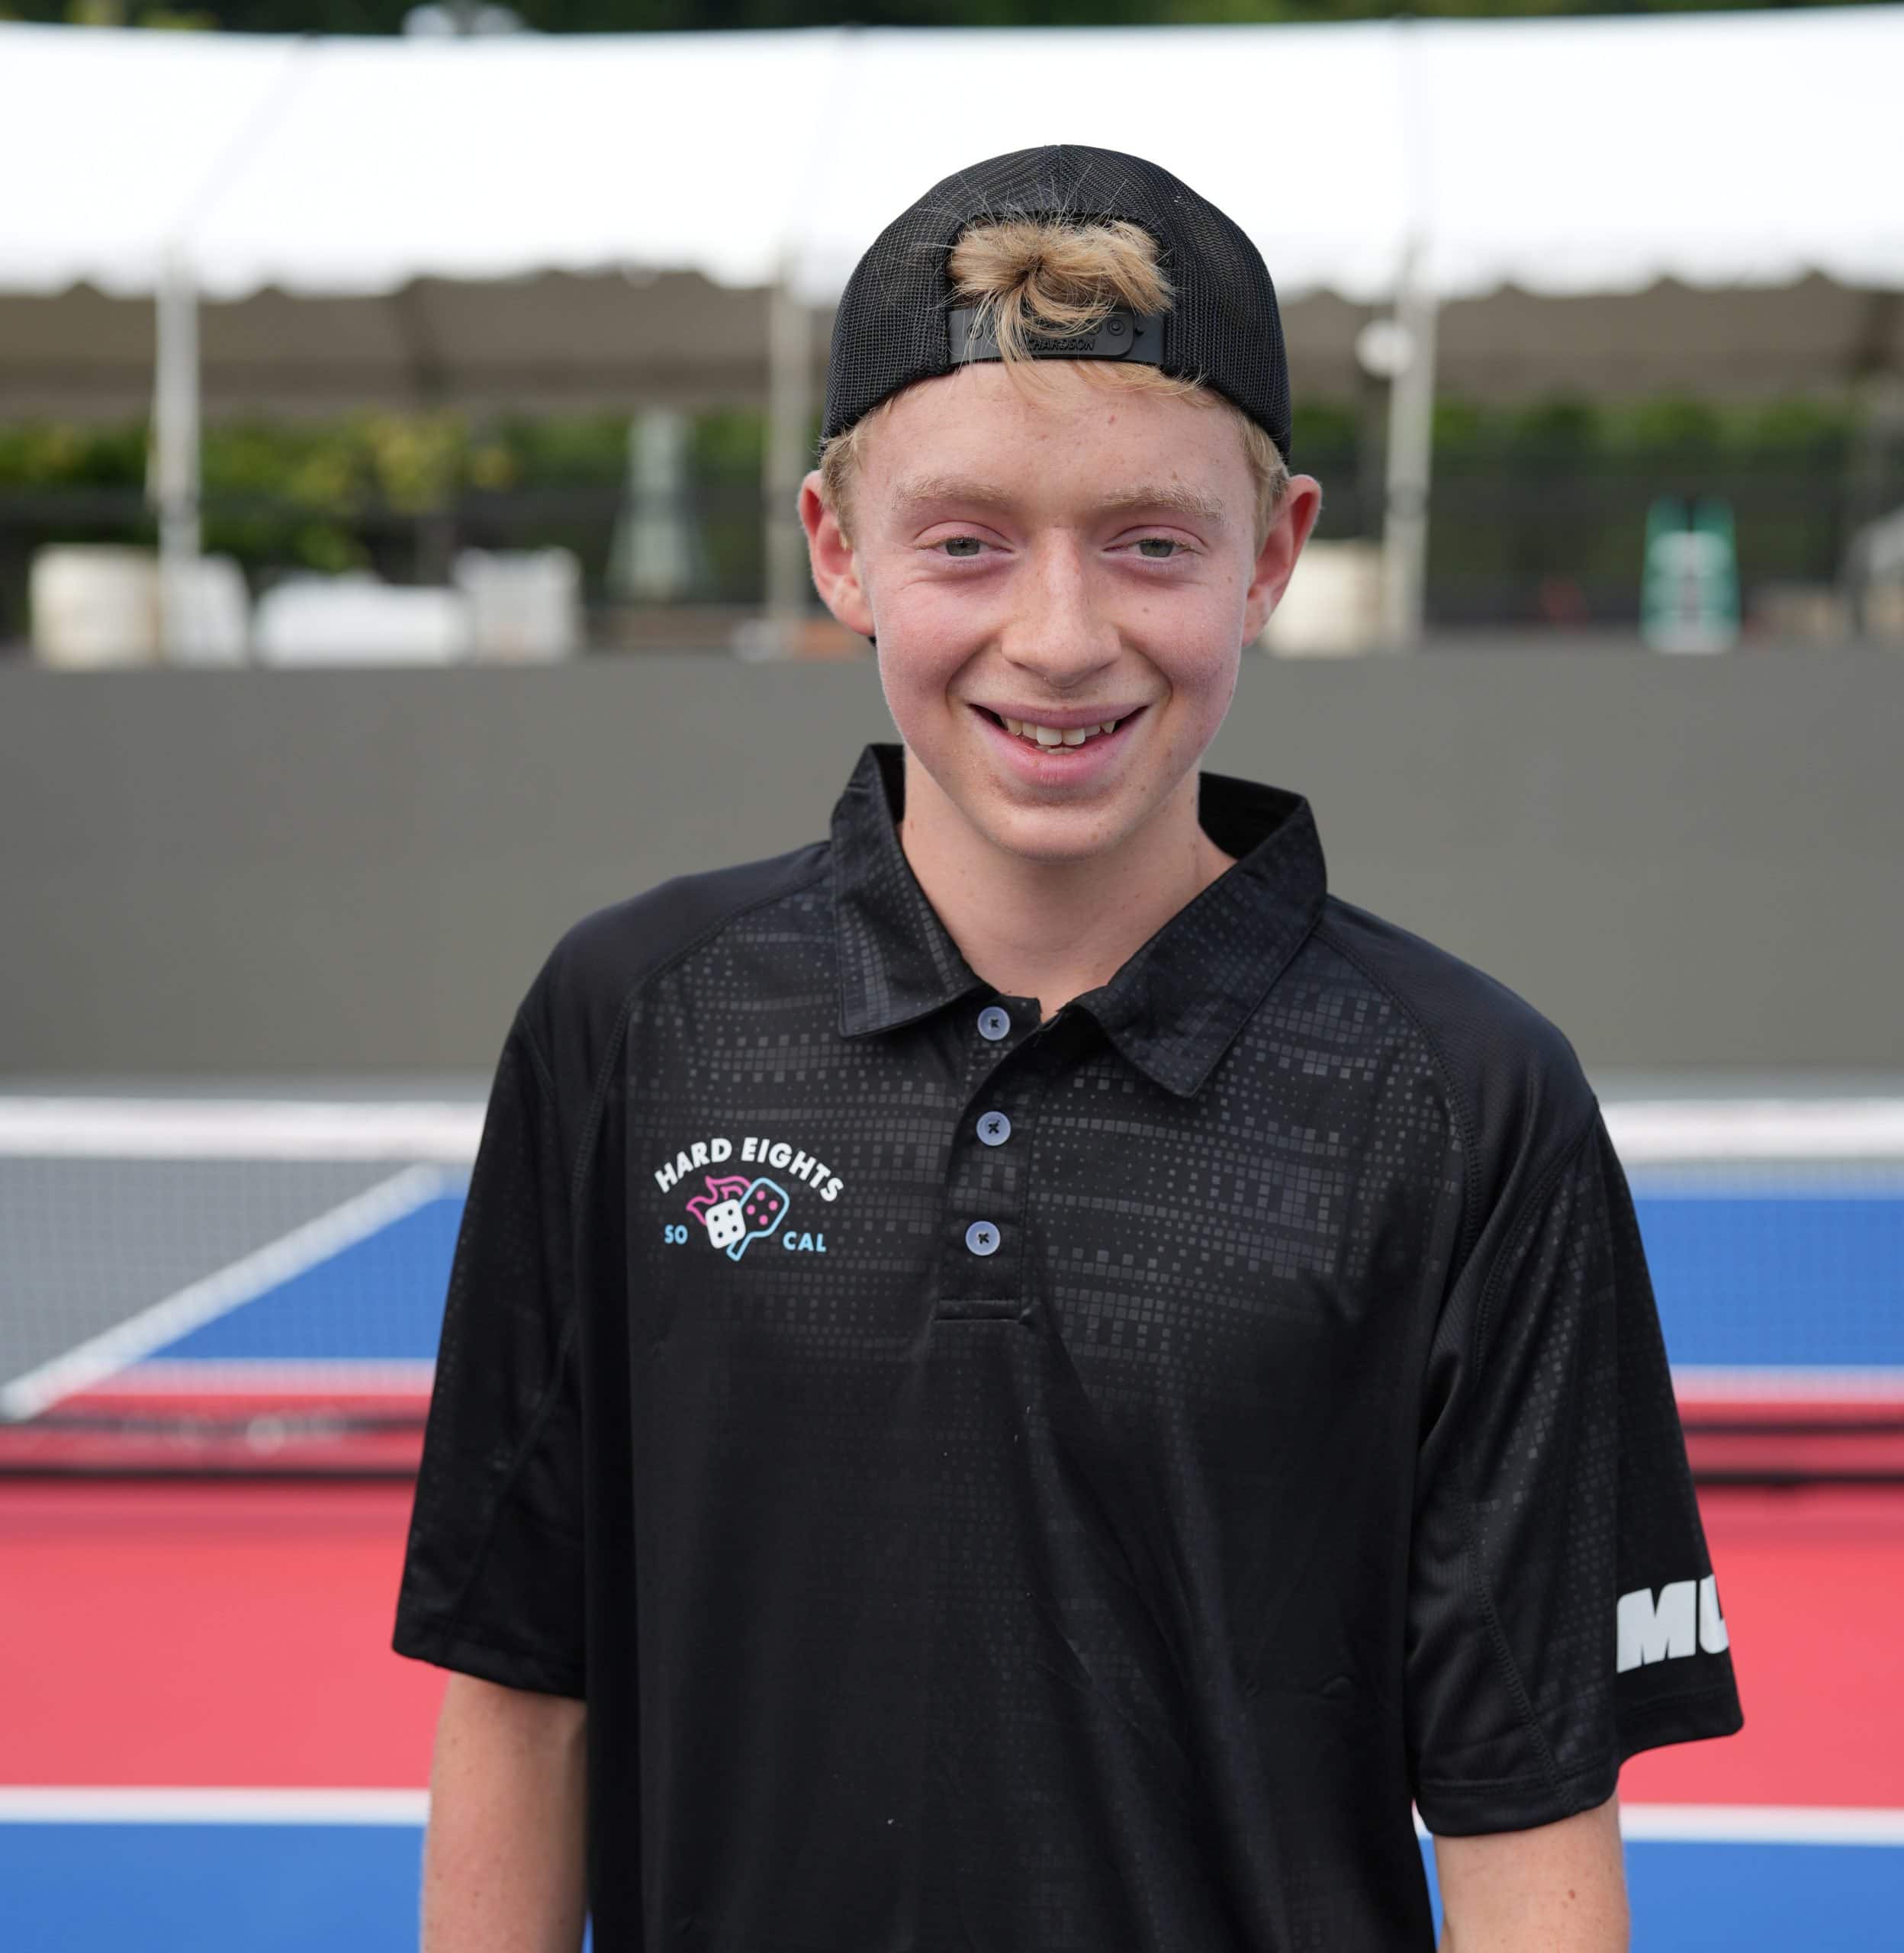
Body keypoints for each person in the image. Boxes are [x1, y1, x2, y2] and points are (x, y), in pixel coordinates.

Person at [393, 145, 1741, 1953]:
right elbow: (518, 1677)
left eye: (1148, 543)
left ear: (1270, 556)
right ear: (838, 551)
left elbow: (1526, 1803)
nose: (1057, 636)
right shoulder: (631, 1020)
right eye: (964, 541)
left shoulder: (1464, 1099)